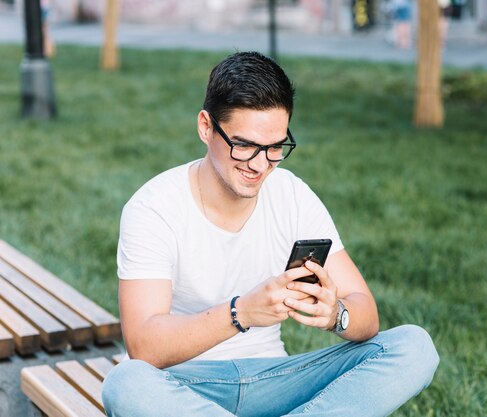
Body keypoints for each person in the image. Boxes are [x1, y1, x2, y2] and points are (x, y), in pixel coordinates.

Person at [101, 51, 439, 417]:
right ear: (205, 127)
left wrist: (335, 314)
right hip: (184, 386)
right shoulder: (153, 207)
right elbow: (144, 346)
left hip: (276, 380)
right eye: (243, 145)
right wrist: (240, 313)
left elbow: (366, 313)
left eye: (275, 147)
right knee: (126, 383)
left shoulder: (292, 195)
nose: (261, 165)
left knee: (413, 346)